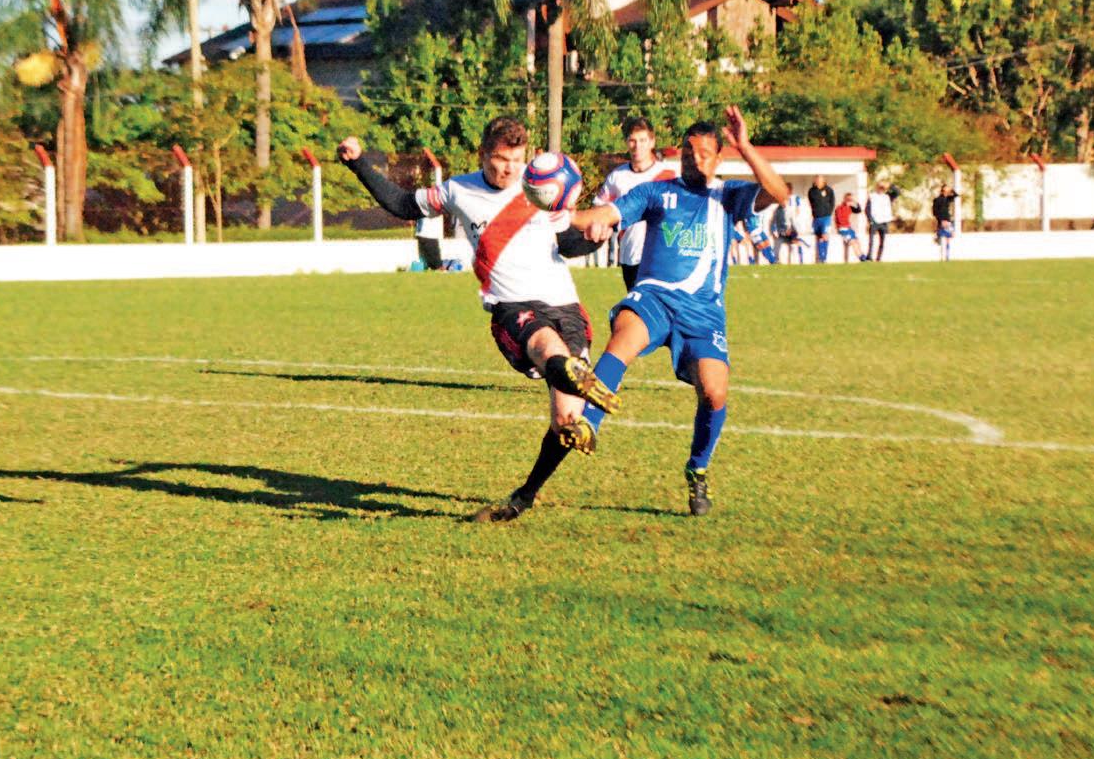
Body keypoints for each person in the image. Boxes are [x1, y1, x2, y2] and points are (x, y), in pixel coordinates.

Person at [339, 118, 620, 522]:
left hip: (565, 305)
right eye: (500, 159)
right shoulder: (457, 190)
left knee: (566, 421)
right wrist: (358, 163)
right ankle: (572, 372)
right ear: (483, 154)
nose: (508, 169)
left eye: (516, 160)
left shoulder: (540, 185)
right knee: (546, 348)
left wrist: (593, 238)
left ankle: (523, 497)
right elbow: (401, 204)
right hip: (512, 305)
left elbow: (567, 245)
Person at [571, 105, 792, 516]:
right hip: (654, 297)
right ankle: (587, 424)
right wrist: (564, 218)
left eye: (705, 154)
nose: (695, 160)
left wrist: (745, 146)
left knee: (715, 391)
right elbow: (607, 213)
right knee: (625, 334)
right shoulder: (657, 192)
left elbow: (780, 194)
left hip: (703, 312)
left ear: (718, 157)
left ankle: (698, 468)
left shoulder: (729, 196)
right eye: (689, 153)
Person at [593, 117, 677, 290]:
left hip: (663, 257)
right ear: (626, 142)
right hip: (630, 256)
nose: (637, 146)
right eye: (632, 140)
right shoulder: (617, 177)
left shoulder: (669, 175)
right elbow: (599, 209)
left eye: (643, 140)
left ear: (652, 142)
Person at [807, 175, 836, 263]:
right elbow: (811, 202)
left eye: (819, 180)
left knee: (825, 235)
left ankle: (824, 258)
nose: (818, 182)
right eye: (816, 180)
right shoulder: (811, 191)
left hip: (826, 217)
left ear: (823, 181)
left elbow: (832, 202)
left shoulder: (829, 190)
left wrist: (829, 212)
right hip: (816, 218)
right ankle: (820, 257)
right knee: (819, 237)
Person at [864, 181, 894, 261]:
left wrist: (889, 185)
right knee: (871, 241)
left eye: (882, 188)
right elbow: (867, 209)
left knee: (882, 241)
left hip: (884, 222)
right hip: (874, 221)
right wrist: (870, 220)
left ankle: (879, 258)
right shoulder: (872, 196)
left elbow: (897, 192)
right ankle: (869, 256)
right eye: (880, 187)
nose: (881, 189)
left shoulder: (887, 197)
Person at [835, 192, 863, 263]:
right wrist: (842, 227)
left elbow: (859, 210)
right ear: (845, 199)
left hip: (849, 228)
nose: (849, 201)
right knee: (852, 242)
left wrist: (855, 202)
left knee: (857, 241)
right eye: (848, 199)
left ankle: (862, 256)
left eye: (850, 200)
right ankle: (861, 257)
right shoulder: (839, 208)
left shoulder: (850, 208)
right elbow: (839, 220)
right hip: (843, 229)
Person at [932, 184, 958, 260]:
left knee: (949, 238)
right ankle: (942, 255)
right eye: (944, 190)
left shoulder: (947, 199)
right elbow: (934, 211)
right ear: (942, 191)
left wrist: (951, 189)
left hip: (947, 220)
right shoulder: (937, 200)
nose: (946, 192)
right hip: (941, 221)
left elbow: (956, 195)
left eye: (947, 191)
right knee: (941, 239)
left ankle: (947, 256)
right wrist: (940, 220)